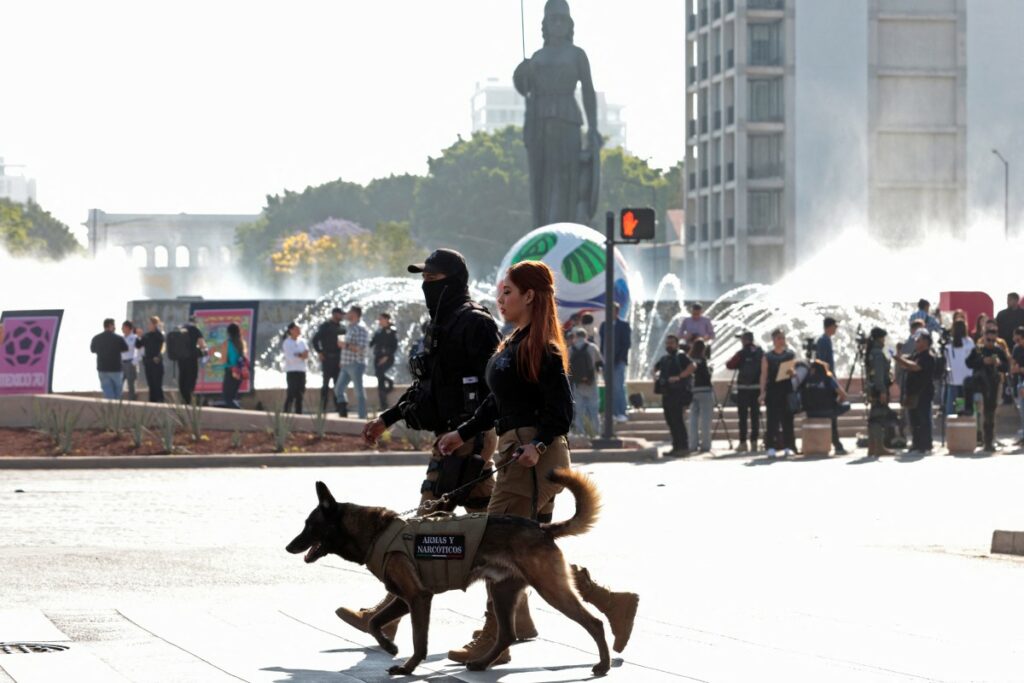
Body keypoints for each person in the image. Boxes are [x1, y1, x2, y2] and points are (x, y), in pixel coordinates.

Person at [437, 260, 639, 664]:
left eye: (508, 292)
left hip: (531, 455)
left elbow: (561, 409)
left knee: (493, 543)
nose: (500, 298)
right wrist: (462, 432)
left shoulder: (542, 347)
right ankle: (608, 603)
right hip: (519, 449)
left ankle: (495, 638)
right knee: (531, 548)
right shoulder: (513, 343)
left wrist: (538, 445)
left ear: (529, 296)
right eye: (500, 292)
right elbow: (498, 404)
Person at [338, 249, 502, 642]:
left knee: (422, 529)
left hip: (466, 440)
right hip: (453, 436)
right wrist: (387, 418)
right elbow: (426, 387)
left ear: (452, 282)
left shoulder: (475, 323)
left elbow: (495, 385)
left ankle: (387, 617)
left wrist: (471, 436)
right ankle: (523, 613)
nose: (426, 286)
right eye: (423, 279)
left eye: (433, 279)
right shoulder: (441, 324)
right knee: (495, 531)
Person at [965, 325, 1009, 451]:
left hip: (993, 384)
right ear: (984, 338)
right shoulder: (978, 350)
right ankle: (983, 439)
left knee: (991, 413)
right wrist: (982, 361)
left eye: (992, 341)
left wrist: (998, 363)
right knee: (982, 412)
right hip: (980, 384)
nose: (990, 343)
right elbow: (968, 363)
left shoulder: (999, 351)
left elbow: (1006, 367)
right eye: (988, 340)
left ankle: (989, 441)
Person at [894, 330, 937, 453]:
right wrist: (898, 354)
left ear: (926, 342)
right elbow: (905, 364)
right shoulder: (915, 354)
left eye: (919, 340)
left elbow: (915, 366)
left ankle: (925, 444)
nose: (916, 342)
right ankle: (916, 443)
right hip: (912, 393)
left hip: (923, 393)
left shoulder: (928, 356)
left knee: (923, 419)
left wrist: (901, 359)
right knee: (914, 420)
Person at [654, 334, 694, 456]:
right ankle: (676, 447)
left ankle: (683, 447)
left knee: (678, 420)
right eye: (667, 343)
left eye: (671, 343)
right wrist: (656, 377)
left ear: (676, 344)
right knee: (670, 420)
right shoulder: (665, 359)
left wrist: (679, 377)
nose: (669, 345)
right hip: (667, 393)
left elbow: (692, 366)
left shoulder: (680, 356)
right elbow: (655, 368)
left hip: (678, 393)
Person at [759, 329, 796, 457]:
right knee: (772, 420)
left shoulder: (790, 354)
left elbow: (794, 372)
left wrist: (792, 373)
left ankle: (788, 446)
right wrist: (762, 392)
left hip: (786, 389)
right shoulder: (768, 356)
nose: (781, 341)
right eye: (779, 338)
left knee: (788, 419)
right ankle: (770, 446)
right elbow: (764, 375)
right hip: (773, 390)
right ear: (773, 340)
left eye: (783, 338)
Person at [726, 331, 763, 453]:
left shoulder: (741, 353)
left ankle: (743, 443)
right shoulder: (760, 352)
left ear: (745, 340)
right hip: (757, 388)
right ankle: (754, 442)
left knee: (742, 417)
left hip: (743, 389)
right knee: (755, 416)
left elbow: (730, 365)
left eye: (741, 339)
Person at [814, 316, 846, 454]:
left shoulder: (825, 340)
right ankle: (836, 443)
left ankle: (836, 442)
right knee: (831, 414)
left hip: (828, 380)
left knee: (832, 415)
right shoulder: (824, 341)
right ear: (829, 326)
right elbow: (824, 365)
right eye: (835, 326)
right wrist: (833, 383)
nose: (836, 329)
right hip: (827, 383)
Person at [599, 302, 631, 423]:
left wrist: (619, 358)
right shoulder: (604, 325)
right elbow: (602, 344)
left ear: (617, 312)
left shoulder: (623, 325)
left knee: (618, 387)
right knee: (609, 388)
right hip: (607, 362)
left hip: (618, 362)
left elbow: (626, 344)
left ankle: (621, 412)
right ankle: (612, 413)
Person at [335, 306, 369, 419]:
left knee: (358, 391)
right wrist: (342, 361)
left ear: (354, 314)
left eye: (348, 312)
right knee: (338, 389)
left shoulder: (361, 328)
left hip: (356, 364)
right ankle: (343, 412)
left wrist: (345, 345)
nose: (346, 314)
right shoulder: (350, 327)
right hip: (345, 364)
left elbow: (362, 349)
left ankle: (362, 416)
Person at [568, 327, 603, 436]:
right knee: (593, 409)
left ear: (576, 337)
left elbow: (567, 368)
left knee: (579, 410)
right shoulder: (592, 347)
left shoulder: (571, 349)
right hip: (591, 382)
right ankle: (596, 432)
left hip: (577, 384)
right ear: (586, 336)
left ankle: (580, 432)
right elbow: (600, 363)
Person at [865, 327, 894, 456]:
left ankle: (873, 447)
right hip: (878, 389)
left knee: (874, 418)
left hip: (873, 388)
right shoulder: (877, 353)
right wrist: (882, 390)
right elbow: (879, 374)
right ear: (879, 338)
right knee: (878, 418)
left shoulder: (872, 351)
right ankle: (878, 447)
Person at [312, 307, 346, 415]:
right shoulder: (325, 326)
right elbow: (315, 340)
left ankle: (339, 407)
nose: (342, 316)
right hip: (327, 359)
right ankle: (323, 408)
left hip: (338, 359)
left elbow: (342, 344)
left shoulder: (341, 327)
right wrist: (320, 352)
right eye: (340, 314)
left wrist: (343, 359)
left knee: (338, 384)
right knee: (325, 384)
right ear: (334, 314)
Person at [90, 318, 129, 400]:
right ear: (111, 325)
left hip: (102, 368)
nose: (115, 328)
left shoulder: (96, 338)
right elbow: (125, 348)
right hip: (116, 369)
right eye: (114, 325)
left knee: (107, 391)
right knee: (118, 391)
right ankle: (116, 409)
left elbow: (92, 350)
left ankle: (110, 408)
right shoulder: (118, 338)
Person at [688, 338, 714, 453]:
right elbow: (707, 376)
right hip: (705, 391)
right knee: (705, 420)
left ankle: (692, 444)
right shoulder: (703, 361)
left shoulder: (689, 360)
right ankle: (705, 445)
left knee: (693, 419)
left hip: (693, 391)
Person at [370, 312, 398, 412]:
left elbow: (394, 346)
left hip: (387, 358)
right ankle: (383, 404)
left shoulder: (392, 331)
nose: (379, 321)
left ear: (387, 319)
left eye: (381, 319)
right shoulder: (378, 332)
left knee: (379, 374)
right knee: (380, 380)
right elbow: (372, 342)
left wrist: (386, 356)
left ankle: (390, 383)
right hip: (377, 357)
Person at [215, 323, 247, 409]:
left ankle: (241, 413)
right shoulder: (241, 343)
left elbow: (225, 360)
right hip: (238, 373)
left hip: (230, 372)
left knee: (227, 398)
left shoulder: (227, 343)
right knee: (232, 397)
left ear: (228, 332)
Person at [136, 316, 166, 403]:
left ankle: (160, 401)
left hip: (156, 362)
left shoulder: (160, 335)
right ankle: (152, 401)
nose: (148, 325)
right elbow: (138, 345)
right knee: (150, 383)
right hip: (148, 362)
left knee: (157, 383)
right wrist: (138, 336)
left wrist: (159, 356)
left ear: (154, 324)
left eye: (150, 323)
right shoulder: (146, 336)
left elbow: (163, 347)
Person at [177, 316, 206, 405]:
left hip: (181, 359)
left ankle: (183, 399)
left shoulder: (180, 329)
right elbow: (202, 345)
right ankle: (188, 400)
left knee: (183, 378)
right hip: (192, 358)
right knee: (191, 379)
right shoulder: (195, 330)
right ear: (195, 322)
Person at [282, 322, 309, 414]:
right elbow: (290, 358)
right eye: (296, 329)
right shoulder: (287, 342)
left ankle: (299, 414)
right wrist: (300, 355)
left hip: (302, 370)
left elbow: (306, 354)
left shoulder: (302, 341)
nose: (299, 331)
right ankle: (286, 412)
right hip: (292, 371)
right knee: (291, 393)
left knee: (300, 394)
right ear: (291, 330)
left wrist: (299, 355)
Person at [1010, 326, 1024, 444]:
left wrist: (1020, 369)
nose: (1016, 341)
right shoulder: (1016, 349)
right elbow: (1013, 366)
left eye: (1019, 339)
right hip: (1019, 383)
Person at [120, 320, 140, 401]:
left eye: (123, 327)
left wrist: (134, 361)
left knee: (131, 383)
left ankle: (132, 400)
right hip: (122, 362)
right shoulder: (121, 338)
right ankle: (119, 400)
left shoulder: (135, 338)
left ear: (128, 328)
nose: (122, 329)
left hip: (130, 362)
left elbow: (139, 350)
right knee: (119, 382)